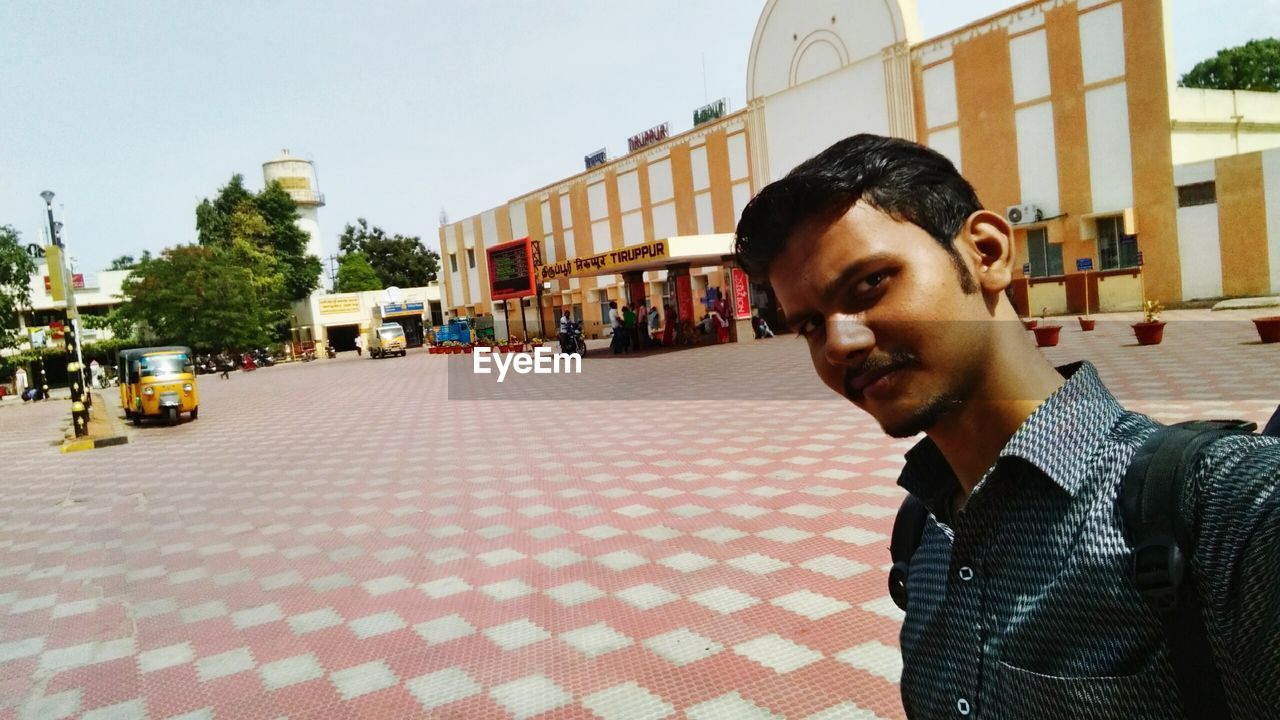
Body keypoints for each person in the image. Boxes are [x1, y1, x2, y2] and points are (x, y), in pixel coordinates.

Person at [733, 133, 1280, 719]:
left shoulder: (1223, 510)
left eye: (869, 284)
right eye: (812, 325)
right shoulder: (925, 532)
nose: (841, 343)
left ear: (987, 253)